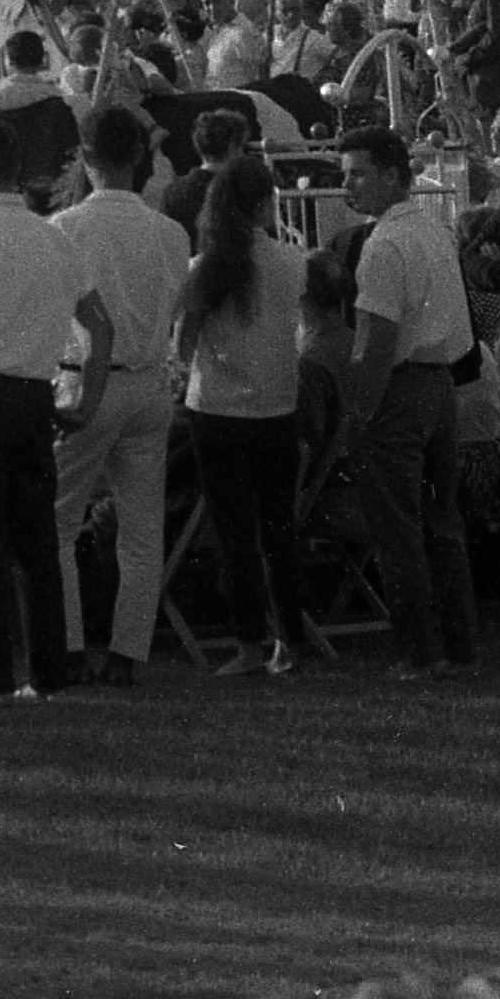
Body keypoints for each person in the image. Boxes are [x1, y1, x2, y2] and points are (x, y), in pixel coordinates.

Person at [0, 114, 96, 705]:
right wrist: (86, 398)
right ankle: (50, 671)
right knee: (37, 544)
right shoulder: (56, 236)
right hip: (37, 391)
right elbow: (98, 325)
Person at [48, 103, 190, 684]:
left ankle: (73, 645)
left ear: (85, 158)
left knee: (58, 521)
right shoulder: (171, 232)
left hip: (88, 379)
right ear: (141, 158)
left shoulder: (65, 229)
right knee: (141, 526)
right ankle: (128, 652)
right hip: (149, 382)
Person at [333, 124, 480, 675]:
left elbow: (374, 340)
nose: (349, 186)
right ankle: (460, 647)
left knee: (398, 528)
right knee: (442, 522)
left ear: (393, 175)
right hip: (441, 385)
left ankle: (420, 653)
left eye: (358, 174)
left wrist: (359, 413)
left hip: (399, 390)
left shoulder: (385, 244)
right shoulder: (435, 231)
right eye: (345, 175)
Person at [172, 156, 315, 675]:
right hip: (277, 405)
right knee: (280, 531)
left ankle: (250, 643)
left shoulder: (204, 269)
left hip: (216, 409)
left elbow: (182, 344)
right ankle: (292, 641)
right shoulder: (293, 262)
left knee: (236, 535)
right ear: (264, 204)